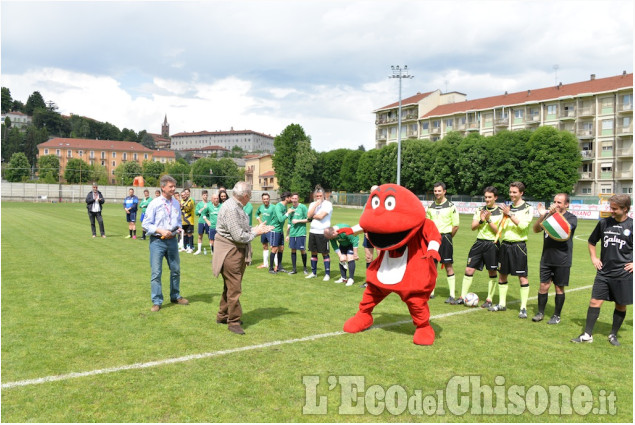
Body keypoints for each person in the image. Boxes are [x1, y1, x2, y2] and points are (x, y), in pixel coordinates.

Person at [212, 181, 273, 334]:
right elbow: (239, 236)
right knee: (234, 288)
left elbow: (240, 230)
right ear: (245, 196)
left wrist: (256, 229)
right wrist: (257, 232)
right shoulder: (232, 208)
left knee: (229, 287)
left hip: (232, 250)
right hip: (231, 252)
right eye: (250, 195)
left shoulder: (234, 206)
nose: (251, 197)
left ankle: (222, 315)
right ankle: (233, 322)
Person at [572, 195, 632, 346]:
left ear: (625, 209)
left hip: (623, 273)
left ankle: (613, 334)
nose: (610, 210)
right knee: (594, 301)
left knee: (620, 305)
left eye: (614, 208)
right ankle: (587, 335)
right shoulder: (604, 223)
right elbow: (592, 241)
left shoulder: (632, 225)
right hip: (604, 272)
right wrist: (594, 258)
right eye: (610, 207)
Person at [142, 175, 189, 312]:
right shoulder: (154, 203)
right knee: (156, 272)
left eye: (174, 186)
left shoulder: (175, 203)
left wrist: (177, 229)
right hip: (157, 241)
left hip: (172, 241)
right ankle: (157, 301)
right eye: (171, 186)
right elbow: (145, 224)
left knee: (176, 270)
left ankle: (175, 296)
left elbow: (178, 221)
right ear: (163, 187)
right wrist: (160, 230)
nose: (174, 189)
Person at [489, 182, 534, 318]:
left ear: (521, 193)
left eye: (514, 192)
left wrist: (509, 214)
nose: (512, 194)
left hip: (519, 246)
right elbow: (501, 227)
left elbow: (522, 226)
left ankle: (523, 308)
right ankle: (502, 304)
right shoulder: (507, 208)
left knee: (522, 277)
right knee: (502, 275)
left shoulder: (527, 208)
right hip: (505, 245)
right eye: (510, 192)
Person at [532, 193, 577, 324]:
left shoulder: (572, 218)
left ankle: (556, 316)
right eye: (555, 202)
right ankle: (540, 313)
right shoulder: (548, 216)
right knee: (543, 286)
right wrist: (543, 215)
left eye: (559, 202)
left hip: (562, 259)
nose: (556, 204)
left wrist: (554, 214)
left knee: (559, 288)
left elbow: (564, 228)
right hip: (546, 258)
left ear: (566, 205)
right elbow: (535, 229)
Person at [457, 186, 503, 307]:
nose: (487, 199)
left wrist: (488, 220)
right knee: (469, 269)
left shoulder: (501, 212)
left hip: (492, 244)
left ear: (495, 198)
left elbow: (499, 232)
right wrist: (481, 220)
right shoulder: (479, 210)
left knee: (492, 271)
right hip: (479, 243)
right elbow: (473, 227)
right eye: (486, 197)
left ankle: (489, 299)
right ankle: (462, 296)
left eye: (490, 197)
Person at [426, 182, 460, 302]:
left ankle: (451, 295)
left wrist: (448, 237)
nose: (437, 193)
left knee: (448, 265)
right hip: (433, 239)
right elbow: (427, 224)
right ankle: (431, 292)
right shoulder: (430, 207)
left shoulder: (451, 206)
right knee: (432, 265)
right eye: (435, 191)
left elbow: (455, 225)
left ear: (444, 191)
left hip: (445, 237)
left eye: (439, 191)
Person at [306, 185, 333, 281]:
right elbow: (308, 216)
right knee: (313, 252)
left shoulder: (328, 204)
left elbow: (321, 216)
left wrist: (313, 215)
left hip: (323, 232)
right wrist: (315, 206)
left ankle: (327, 274)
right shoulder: (312, 204)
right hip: (313, 231)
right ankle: (314, 272)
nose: (318, 198)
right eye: (317, 196)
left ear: (324, 195)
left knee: (324, 253)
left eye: (320, 196)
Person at [268, 191, 294, 274]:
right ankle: (271, 268)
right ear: (286, 198)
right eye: (290, 197)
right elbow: (281, 219)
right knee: (274, 249)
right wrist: (288, 213)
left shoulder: (285, 206)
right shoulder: (278, 206)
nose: (291, 199)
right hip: (275, 230)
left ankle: (279, 266)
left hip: (280, 230)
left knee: (281, 248)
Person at [286, 192, 309, 275]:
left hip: (301, 233)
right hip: (292, 233)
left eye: (296, 198)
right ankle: (294, 269)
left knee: (302, 250)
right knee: (293, 250)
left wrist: (298, 221)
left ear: (298, 199)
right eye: (293, 198)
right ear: (291, 199)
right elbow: (289, 223)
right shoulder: (290, 209)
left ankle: (305, 268)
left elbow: (308, 219)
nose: (294, 200)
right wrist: (287, 235)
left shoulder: (303, 207)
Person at [255, 193, 275, 269]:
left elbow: (277, 217)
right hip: (263, 230)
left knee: (273, 247)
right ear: (262, 200)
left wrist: (272, 225)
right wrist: (260, 223)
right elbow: (256, 214)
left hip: (270, 229)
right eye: (264, 199)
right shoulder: (261, 207)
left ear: (269, 199)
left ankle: (275, 264)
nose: (265, 200)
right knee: (264, 246)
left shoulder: (273, 207)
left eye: (267, 199)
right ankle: (265, 264)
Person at [194, 190, 210, 255]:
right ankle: (199, 250)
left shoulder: (210, 204)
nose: (205, 196)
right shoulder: (199, 204)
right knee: (200, 236)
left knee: (210, 236)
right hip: (201, 221)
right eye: (204, 195)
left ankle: (212, 250)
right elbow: (196, 213)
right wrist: (203, 208)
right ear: (202, 196)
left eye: (206, 195)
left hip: (208, 221)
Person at [180, 188, 195, 253]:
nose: (183, 196)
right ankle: (184, 247)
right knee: (184, 234)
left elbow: (188, 208)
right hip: (183, 221)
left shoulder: (190, 201)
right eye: (182, 195)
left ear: (186, 195)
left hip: (189, 221)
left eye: (184, 195)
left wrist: (182, 206)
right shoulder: (181, 201)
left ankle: (191, 247)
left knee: (189, 234)